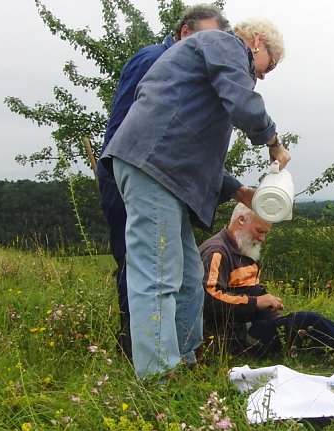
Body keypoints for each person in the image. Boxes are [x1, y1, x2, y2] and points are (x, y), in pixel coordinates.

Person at [100, 18, 291, 379]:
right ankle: (158, 376)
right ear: (257, 41)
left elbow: (188, 142)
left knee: (189, 276)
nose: (265, 75)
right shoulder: (223, 44)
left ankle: (186, 359)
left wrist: (239, 192)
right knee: (158, 274)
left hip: (164, 172)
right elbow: (242, 101)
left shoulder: (208, 64)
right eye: (272, 63)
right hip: (151, 168)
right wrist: (272, 141)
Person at [96, 4, 239, 360]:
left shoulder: (192, 75)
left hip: (165, 183)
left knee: (182, 272)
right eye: (205, 39)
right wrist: (119, 187)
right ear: (186, 34)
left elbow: (185, 150)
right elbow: (127, 132)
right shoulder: (153, 60)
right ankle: (145, 361)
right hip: (134, 176)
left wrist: (237, 190)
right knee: (145, 269)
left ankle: (177, 356)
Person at [198, 203, 334, 357]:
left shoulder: (243, 248)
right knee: (308, 322)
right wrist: (256, 302)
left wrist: (269, 308)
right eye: (259, 231)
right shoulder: (217, 252)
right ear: (241, 220)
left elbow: (244, 292)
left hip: (248, 325)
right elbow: (208, 299)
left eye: (265, 233)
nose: (262, 238)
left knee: (306, 328)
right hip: (227, 336)